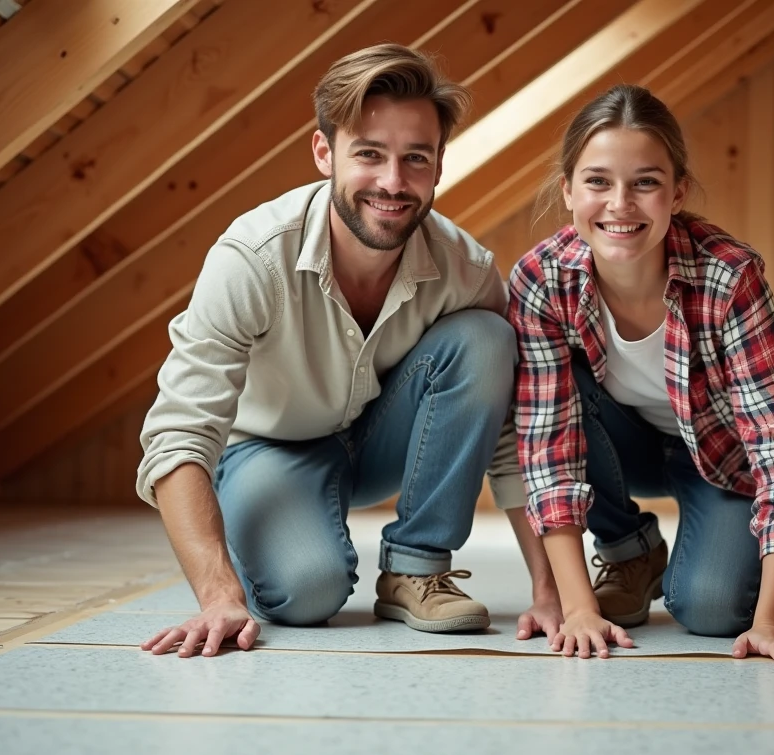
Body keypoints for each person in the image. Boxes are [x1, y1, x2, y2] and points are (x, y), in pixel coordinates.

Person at [134, 44, 528, 658]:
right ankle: (263, 528)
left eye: (415, 159)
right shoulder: (252, 257)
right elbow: (178, 432)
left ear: (438, 166)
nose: (393, 183)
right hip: (268, 447)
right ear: (325, 153)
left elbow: (506, 435)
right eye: (369, 154)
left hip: (377, 440)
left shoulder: (467, 269)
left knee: (487, 337)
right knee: (308, 594)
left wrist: (555, 591)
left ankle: (415, 568)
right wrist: (218, 595)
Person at [502, 84, 774, 668]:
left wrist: (773, 620)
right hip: (614, 444)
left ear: (677, 192)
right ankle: (630, 551)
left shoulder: (728, 276)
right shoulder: (542, 278)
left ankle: (695, 574)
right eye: (598, 181)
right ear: (568, 189)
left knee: (711, 611)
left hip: (720, 460)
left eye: (646, 182)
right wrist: (579, 609)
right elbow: (547, 446)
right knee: (547, 398)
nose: (620, 204)